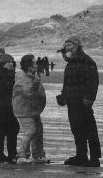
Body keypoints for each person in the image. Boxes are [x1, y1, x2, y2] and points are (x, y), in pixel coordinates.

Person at [57, 36, 101, 167]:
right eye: (65, 45)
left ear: (76, 45)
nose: (66, 47)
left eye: (69, 45)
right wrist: (63, 95)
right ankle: (81, 155)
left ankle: (94, 158)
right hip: (72, 101)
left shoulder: (86, 61)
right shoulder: (72, 62)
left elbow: (93, 81)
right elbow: (69, 82)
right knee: (76, 129)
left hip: (83, 102)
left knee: (89, 129)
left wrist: (89, 98)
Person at [13, 54, 48, 164]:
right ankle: (21, 155)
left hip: (34, 109)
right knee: (30, 131)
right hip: (24, 110)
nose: (36, 65)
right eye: (34, 63)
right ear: (28, 66)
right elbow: (28, 93)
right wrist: (36, 82)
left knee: (38, 131)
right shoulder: (22, 78)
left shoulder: (34, 76)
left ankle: (38, 155)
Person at [0, 54, 19, 163]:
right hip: (3, 107)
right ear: (3, 64)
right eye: (8, 62)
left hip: (8, 107)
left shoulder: (10, 74)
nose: (11, 63)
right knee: (8, 130)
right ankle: (4, 154)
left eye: (12, 61)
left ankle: (7, 154)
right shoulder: (0, 75)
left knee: (9, 130)